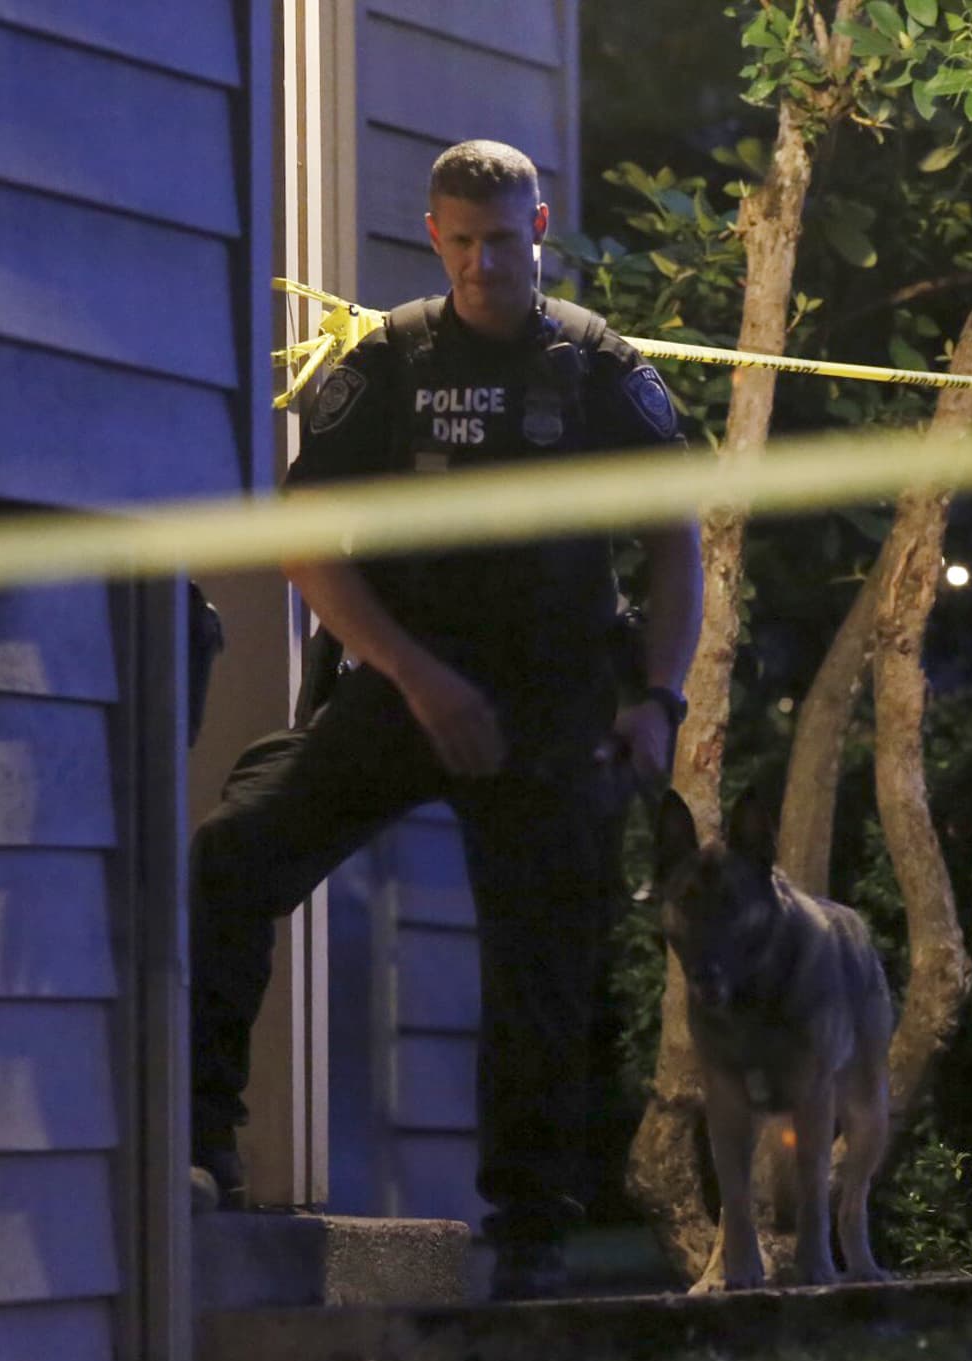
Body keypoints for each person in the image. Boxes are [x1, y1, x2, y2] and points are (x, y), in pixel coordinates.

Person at [187, 139, 702, 1301]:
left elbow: (676, 545)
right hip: (403, 680)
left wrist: (657, 701)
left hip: (557, 695)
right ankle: (199, 1141)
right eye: (462, 241)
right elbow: (308, 547)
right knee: (231, 856)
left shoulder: (595, 368)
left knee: (545, 957)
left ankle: (529, 1231)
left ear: (541, 227)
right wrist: (419, 681)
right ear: (432, 234)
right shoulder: (389, 364)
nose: (484, 264)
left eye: (505, 240)